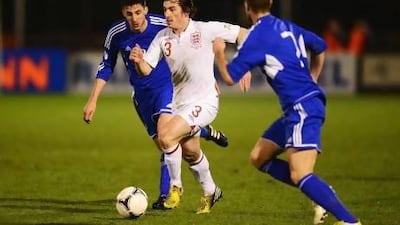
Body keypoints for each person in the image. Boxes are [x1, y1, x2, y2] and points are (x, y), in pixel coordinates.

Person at [213, 0, 362, 224]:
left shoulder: (256, 37)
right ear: (271, 3)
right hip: (299, 107)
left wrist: (218, 52)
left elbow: (229, 77)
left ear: (246, 7)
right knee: (258, 158)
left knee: (300, 173)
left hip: (302, 109)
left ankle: (350, 221)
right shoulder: (287, 26)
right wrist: (313, 77)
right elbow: (320, 45)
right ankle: (320, 191)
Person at [82, 0, 229, 210]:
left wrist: (205, 79)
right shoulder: (116, 33)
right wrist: (92, 100)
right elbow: (107, 65)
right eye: (129, 13)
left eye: (138, 12)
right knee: (174, 146)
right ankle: (203, 131)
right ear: (123, 12)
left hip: (167, 89)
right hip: (142, 96)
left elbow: (193, 41)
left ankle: (167, 194)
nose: (134, 18)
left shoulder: (163, 24)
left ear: (146, 10)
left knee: (166, 136)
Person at [130, 0, 248, 214]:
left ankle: (175, 187)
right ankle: (212, 191)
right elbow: (146, 70)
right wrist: (139, 61)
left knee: (165, 137)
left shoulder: (205, 29)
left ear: (185, 11)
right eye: (165, 9)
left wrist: (244, 63)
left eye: (172, 9)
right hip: (179, 104)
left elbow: (244, 34)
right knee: (191, 152)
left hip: (205, 102)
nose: (167, 13)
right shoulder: (163, 37)